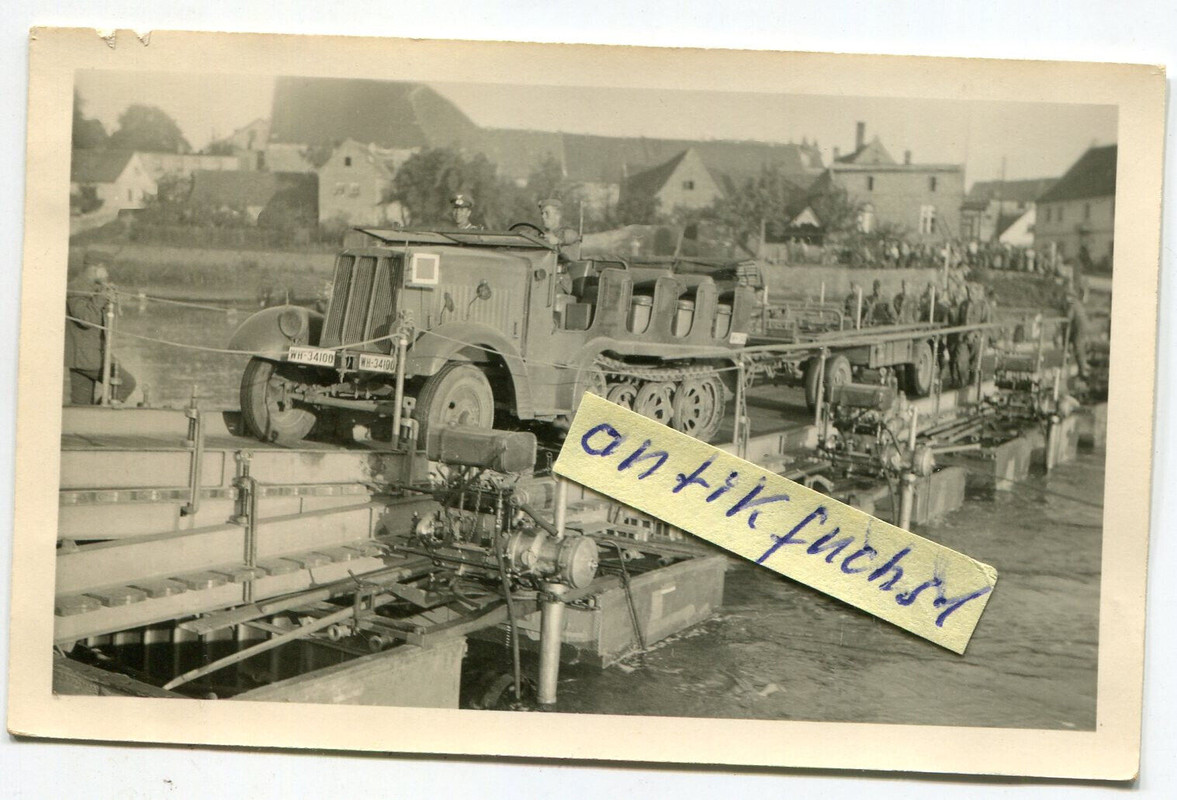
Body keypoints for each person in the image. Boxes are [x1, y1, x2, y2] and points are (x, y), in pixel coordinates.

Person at [65, 254, 136, 405]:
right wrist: (102, 298)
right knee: (127, 383)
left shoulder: (94, 288)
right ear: (95, 268)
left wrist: (110, 296)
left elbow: (103, 320)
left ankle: (92, 422)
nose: (107, 274)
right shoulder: (76, 287)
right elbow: (85, 319)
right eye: (104, 269)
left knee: (81, 406)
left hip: (85, 357)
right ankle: (102, 414)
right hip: (87, 357)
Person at [1065, 290, 1090, 379]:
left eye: (1068, 296)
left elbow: (1069, 317)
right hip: (1083, 327)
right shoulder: (1078, 304)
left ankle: (1083, 371)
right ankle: (1082, 369)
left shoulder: (1073, 305)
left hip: (1080, 328)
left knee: (1078, 347)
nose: (1067, 298)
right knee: (1079, 347)